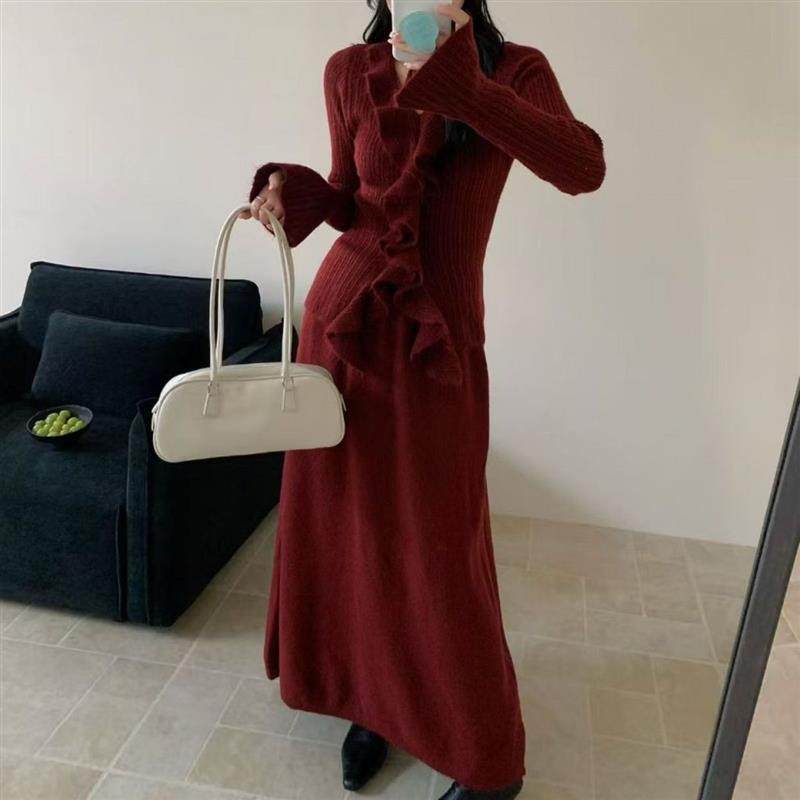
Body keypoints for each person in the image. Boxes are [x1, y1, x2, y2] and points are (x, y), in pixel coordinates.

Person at [241, 1, 605, 797]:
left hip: (438, 344)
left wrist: (466, 89)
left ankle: (489, 764)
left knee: (441, 551)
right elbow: (350, 196)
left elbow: (583, 166)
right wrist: (297, 196)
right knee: (351, 533)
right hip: (342, 329)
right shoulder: (349, 70)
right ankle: (369, 703)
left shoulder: (516, 70)